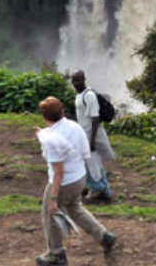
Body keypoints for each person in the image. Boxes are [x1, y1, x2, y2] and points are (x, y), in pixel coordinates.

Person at [34, 96, 116, 266]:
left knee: (51, 215)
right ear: (62, 112)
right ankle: (103, 236)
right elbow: (84, 152)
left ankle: (56, 254)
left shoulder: (52, 141)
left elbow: (58, 172)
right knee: (75, 208)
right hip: (80, 178)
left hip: (64, 182)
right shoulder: (74, 126)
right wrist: (41, 133)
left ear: (44, 117)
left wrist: (53, 198)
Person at [71, 70, 115, 201]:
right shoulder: (79, 95)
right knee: (95, 162)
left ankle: (97, 187)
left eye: (78, 80)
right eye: (73, 81)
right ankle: (105, 193)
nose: (76, 83)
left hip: (90, 135)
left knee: (87, 163)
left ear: (84, 79)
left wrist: (92, 140)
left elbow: (95, 118)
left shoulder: (89, 95)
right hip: (85, 134)